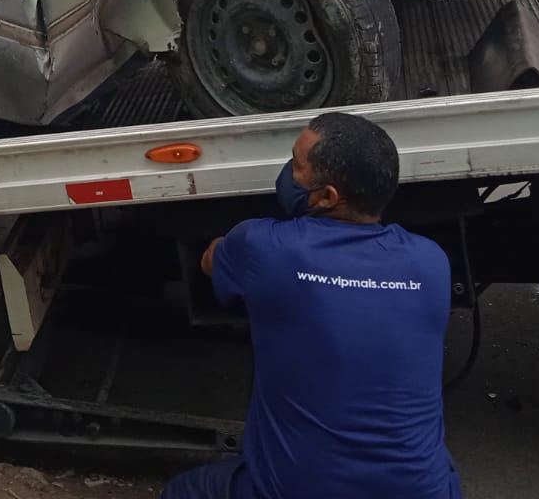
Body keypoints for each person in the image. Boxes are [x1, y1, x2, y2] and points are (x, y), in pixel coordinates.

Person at [163, 112, 460, 499]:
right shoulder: (431, 262)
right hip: (427, 492)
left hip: (300, 491)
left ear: (327, 196)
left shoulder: (264, 248)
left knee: (181, 493)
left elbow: (210, 259)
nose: (287, 170)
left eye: (297, 165)